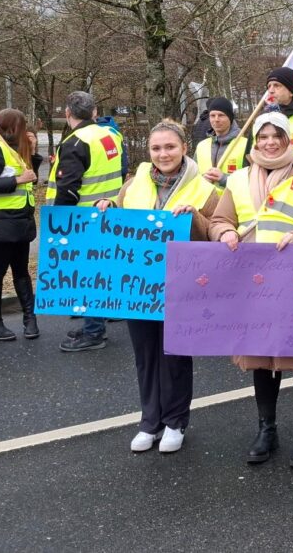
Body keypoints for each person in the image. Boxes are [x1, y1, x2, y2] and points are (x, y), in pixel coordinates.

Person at [208, 112, 293, 469]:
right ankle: (267, 428)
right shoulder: (239, 179)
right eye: (263, 136)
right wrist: (224, 234)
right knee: (262, 357)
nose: (269, 142)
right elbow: (219, 220)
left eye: (277, 135)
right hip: (253, 280)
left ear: (289, 140)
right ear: (255, 141)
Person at [96, 121, 219, 454]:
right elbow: (120, 220)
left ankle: (176, 421)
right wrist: (107, 206)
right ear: (148, 151)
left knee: (175, 354)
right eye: (156, 148)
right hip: (139, 287)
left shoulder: (205, 190)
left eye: (170, 147)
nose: (163, 154)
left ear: (183, 149)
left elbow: (216, 232)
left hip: (182, 286)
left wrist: (194, 216)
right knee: (145, 355)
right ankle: (150, 421)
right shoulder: (133, 184)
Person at [46, 91, 125, 352]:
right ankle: (94, 323)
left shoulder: (75, 142)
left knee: (90, 275)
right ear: (94, 112)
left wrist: (60, 224)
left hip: (82, 218)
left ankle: (93, 332)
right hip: (110, 212)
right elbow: (121, 170)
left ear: (67, 113)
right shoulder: (111, 135)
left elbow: (68, 188)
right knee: (100, 272)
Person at [0, 109, 42, 341]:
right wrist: (17, 180)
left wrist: (32, 153)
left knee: (22, 271)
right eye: (23, 126)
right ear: (13, 127)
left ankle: (30, 318)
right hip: (1, 222)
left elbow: (30, 176)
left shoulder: (14, 149)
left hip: (20, 221)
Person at [195, 96, 249, 188]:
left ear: (230, 118)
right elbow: (193, 178)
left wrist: (224, 179)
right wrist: (202, 180)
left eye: (221, 115)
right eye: (212, 115)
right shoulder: (202, 146)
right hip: (206, 201)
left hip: (233, 201)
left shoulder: (245, 145)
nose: (216, 119)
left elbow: (252, 180)